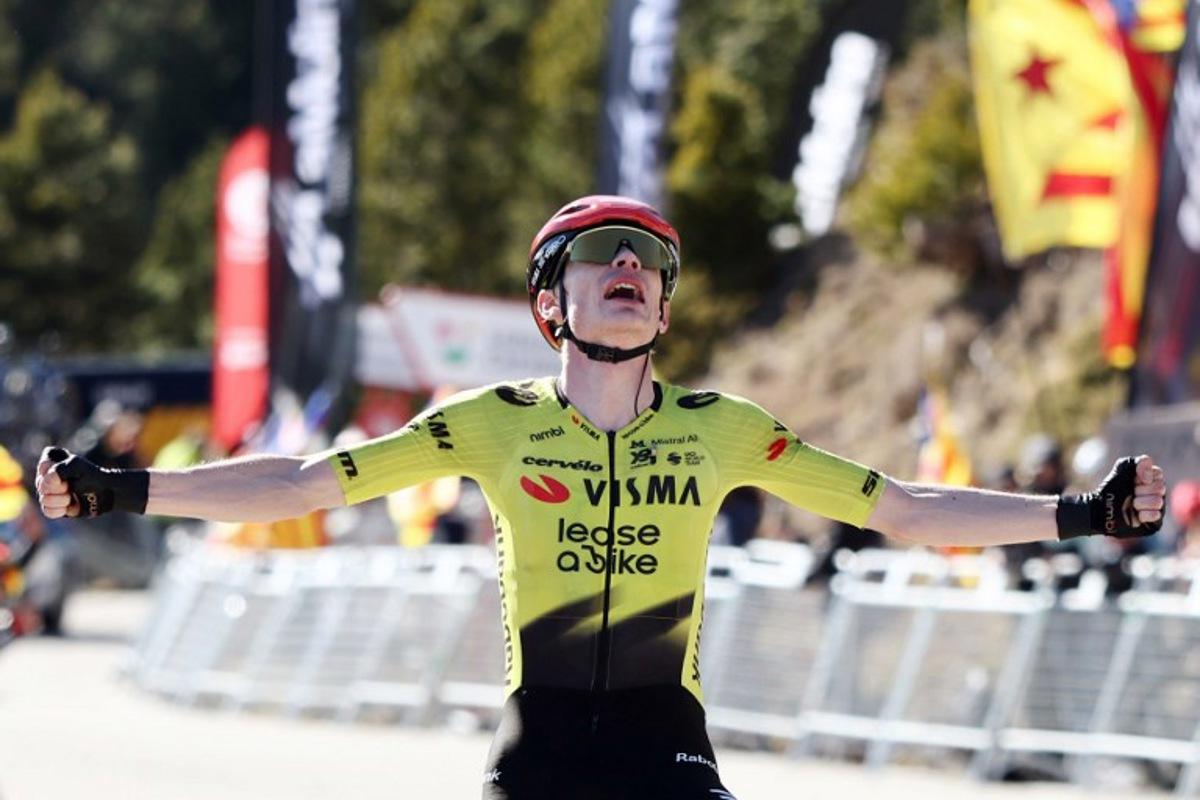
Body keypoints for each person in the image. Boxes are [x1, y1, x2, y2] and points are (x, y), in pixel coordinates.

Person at [35, 196, 1166, 800]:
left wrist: (1081, 514)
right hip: (540, 764)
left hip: (668, 752)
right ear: (551, 301)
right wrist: (127, 485)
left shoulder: (722, 427)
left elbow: (906, 506)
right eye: (604, 252)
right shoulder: (490, 419)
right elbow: (294, 478)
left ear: (664, 306)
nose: (632, 266)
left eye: (651, 261)